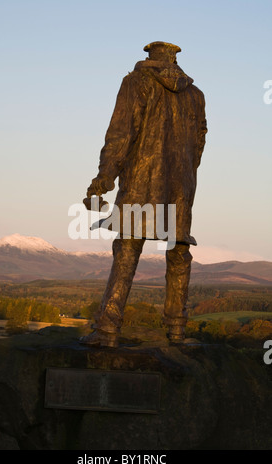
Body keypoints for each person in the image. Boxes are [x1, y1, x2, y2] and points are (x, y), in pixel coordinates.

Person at [79, 41, 207, 347]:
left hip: (142, 178)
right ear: (174, 59)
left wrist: (104, 177)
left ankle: (108, 329)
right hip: (182, 184)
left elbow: (122, 133)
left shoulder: (136, 82)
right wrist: (187, 175)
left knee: (127, 248)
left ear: (150, 54)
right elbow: (199, 142)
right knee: (179, 251)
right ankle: (176, 330)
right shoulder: (195, 95)